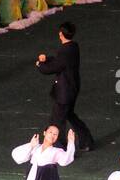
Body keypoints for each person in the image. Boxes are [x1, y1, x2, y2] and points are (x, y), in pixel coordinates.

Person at [36, 21, 95, 151]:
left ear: (61, 34)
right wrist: (48, 59)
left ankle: (58, 147)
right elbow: (61, 61)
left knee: (57, 122)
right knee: (70, 116)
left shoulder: (64, 50)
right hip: (72, 88)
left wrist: (40, 64)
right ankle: (87, 141)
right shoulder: (74, 46)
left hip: (64, 92)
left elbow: (53, 67)